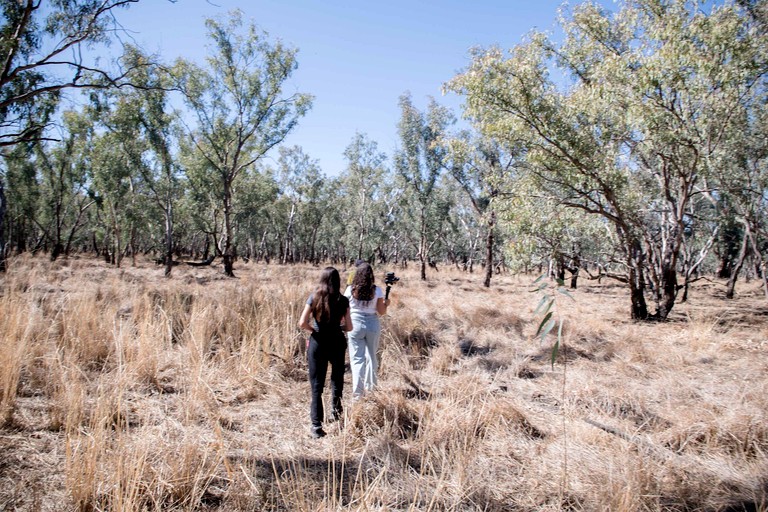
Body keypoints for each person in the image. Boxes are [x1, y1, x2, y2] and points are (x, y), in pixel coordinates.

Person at [298, 267, 353, 438]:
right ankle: (336, 413)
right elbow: (349, 327)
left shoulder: (314, 297)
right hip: (337, 341)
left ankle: (316, 426)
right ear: (337, 281)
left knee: (316, 386)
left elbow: (302, 322)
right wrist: (338, 327)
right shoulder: (343, 300)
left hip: (318, 342)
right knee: (337, 378)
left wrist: (314, 330)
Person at [344, 262, 389, 399]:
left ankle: (358, 394)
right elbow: (381, 312)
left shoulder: (350, 290)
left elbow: (345, 308)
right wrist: (386, 304)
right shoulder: (377, 291)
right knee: (372, 357)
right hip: (372, 325)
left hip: (355, 325)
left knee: (357, 359)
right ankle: (371, 388)